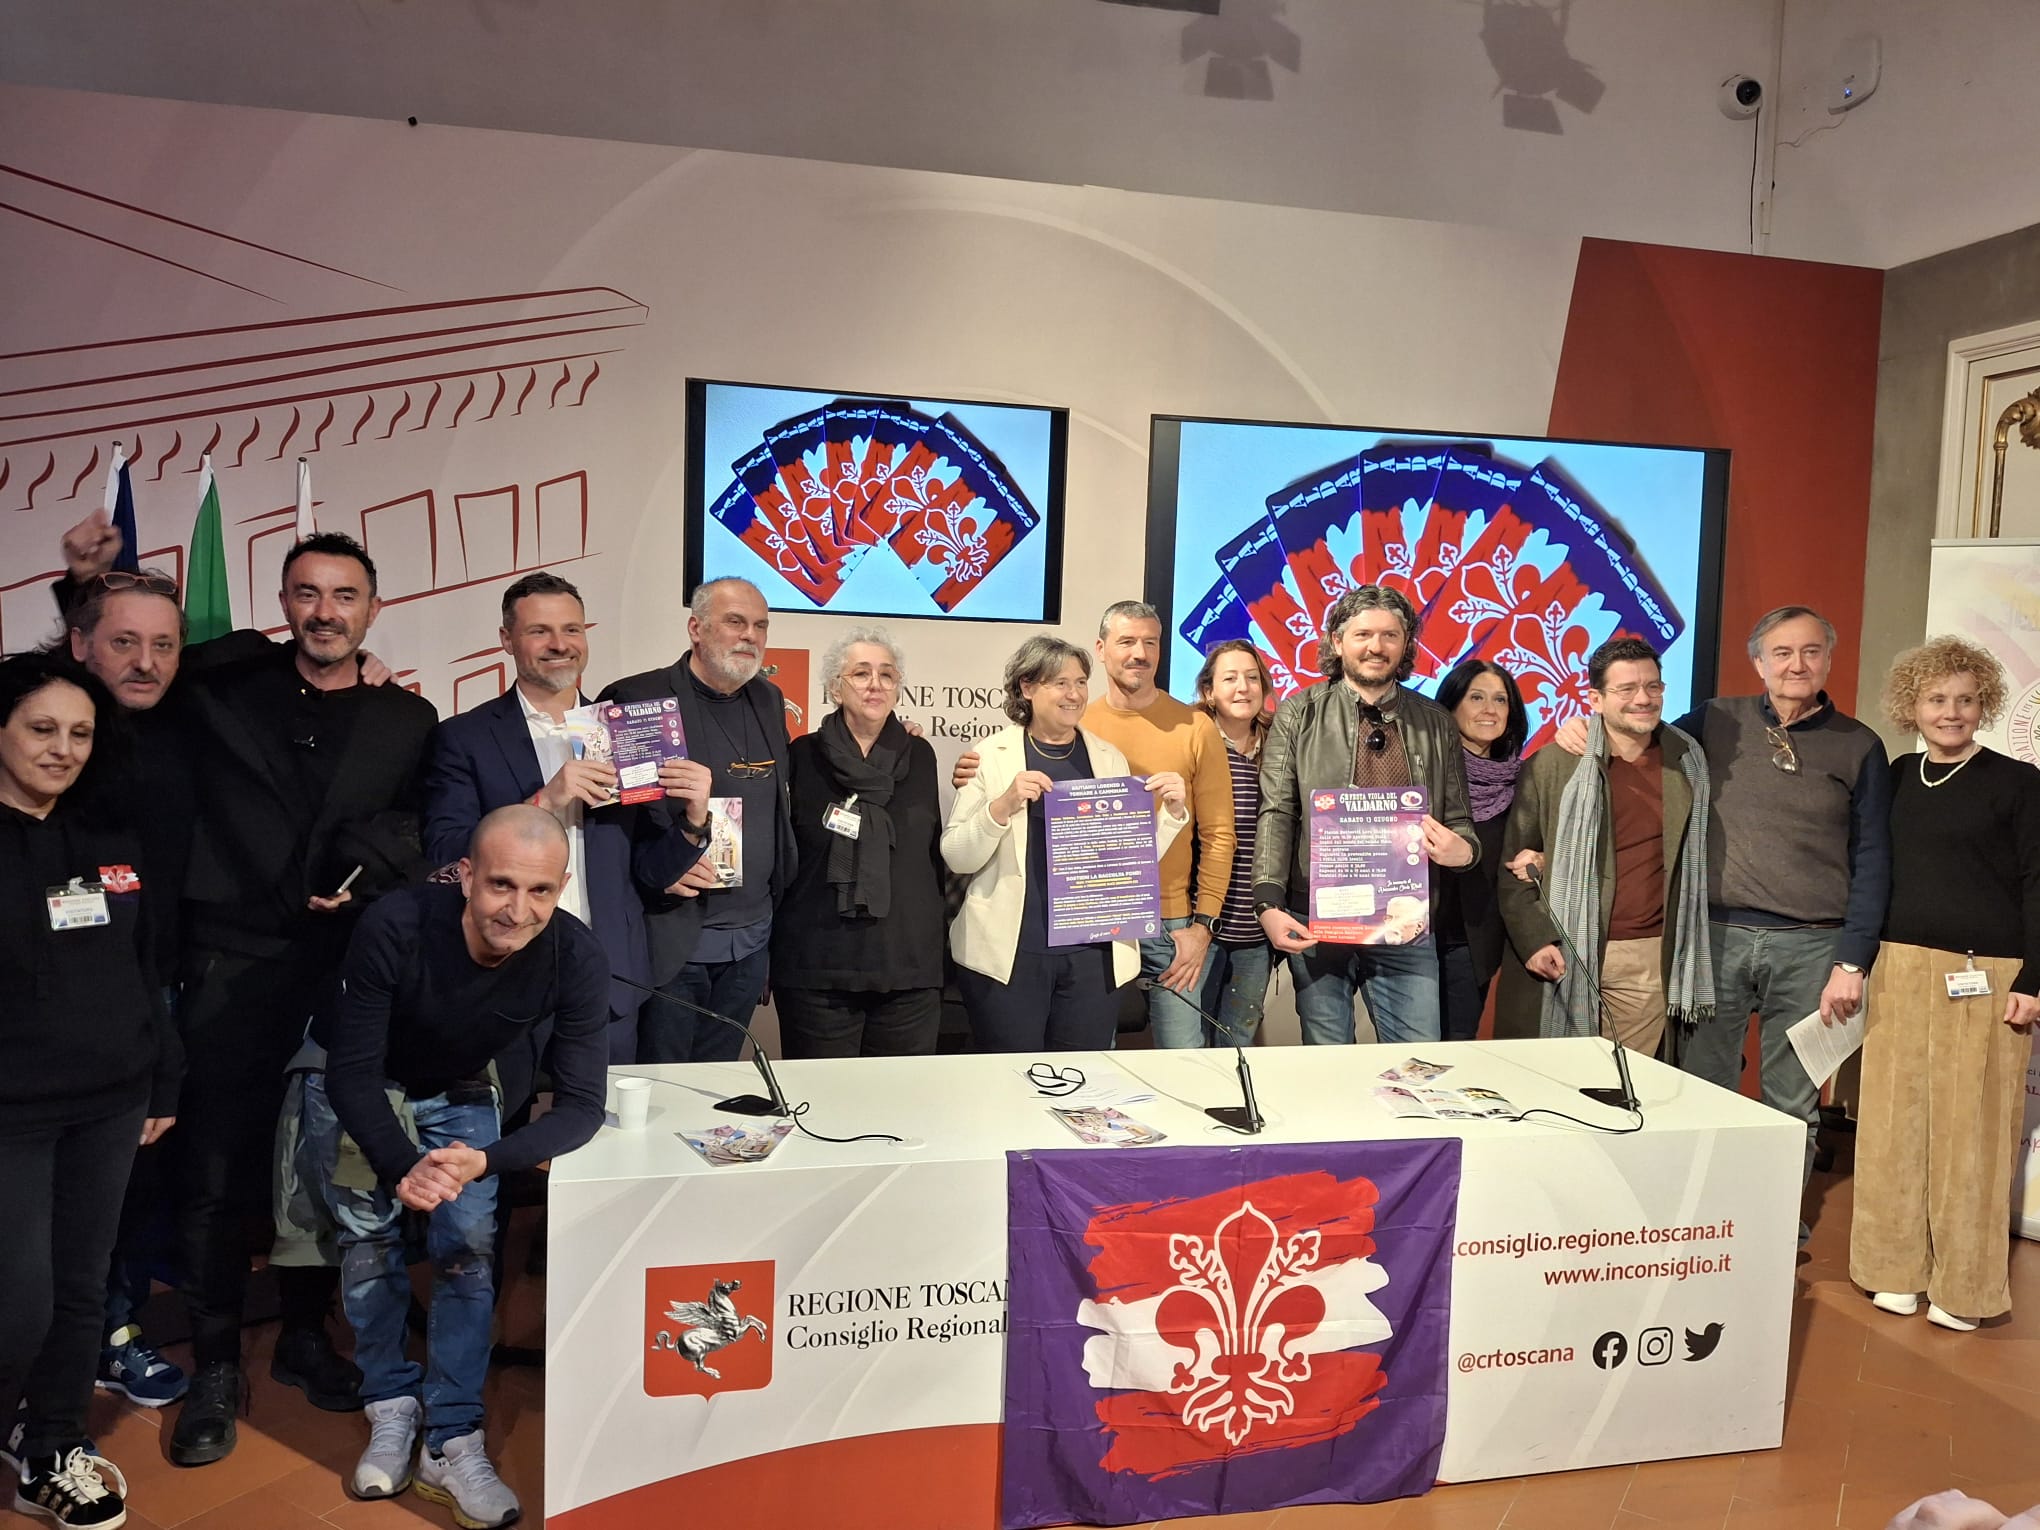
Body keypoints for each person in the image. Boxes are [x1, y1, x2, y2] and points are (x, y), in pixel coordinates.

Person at [164, 533, 437, 1464]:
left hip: (341, 968)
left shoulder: (407, 718)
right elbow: (167, 663)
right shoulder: (223, 689)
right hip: (230, 965)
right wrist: (252, 645)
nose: (326, 612)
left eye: (345, 595)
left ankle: (304, 1336)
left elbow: (421, 828)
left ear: (374, 609)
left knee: (325, 1167)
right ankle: (213, 1362)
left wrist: (365, 881)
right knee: (215, 1169)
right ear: (281, 603)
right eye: (307, 594)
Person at [301, 805, 606, 1526]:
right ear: (466, 876)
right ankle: (390, 1404)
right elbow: (351, 1072)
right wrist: (402, 1164)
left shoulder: (575, 954)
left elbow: (583, 1106)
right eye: (501, 884)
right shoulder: (396, 925)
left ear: (561, 889)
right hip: (361, 1081)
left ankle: (452, 1436)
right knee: (368, 1242)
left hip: (461, 1087)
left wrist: (486, 1162)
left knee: (469, 1250)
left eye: (539, 891)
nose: (518, 910)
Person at [1556, 605, 1890, 1186]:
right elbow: (1638, 733)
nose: (1797, 664)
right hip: (1713, 939)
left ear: (1828, 660)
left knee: (1793, 1102)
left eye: (1811, 651)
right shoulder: (1714, 720)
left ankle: (1777, 1224)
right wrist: (1580, 729)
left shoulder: (1860, 745)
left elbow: (1874, 858)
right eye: (1781, 652)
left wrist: (1853, 961)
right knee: (1702, 1089)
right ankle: (1706, 1216)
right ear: (1758, 662)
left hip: (1813, 949)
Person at [0, 654, 180, 1530]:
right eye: (42, 729)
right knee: (19, 1302)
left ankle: (52, 1447)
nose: (63, 749)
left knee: (81, 1288)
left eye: (80, 733)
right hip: (10, 1114)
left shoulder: (112, 836)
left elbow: (146, 969)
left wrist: (162, 1076)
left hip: (111, 1100)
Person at [422, 571, 714, 1064]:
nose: (560, 644)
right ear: (507, 640)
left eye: (572, 629)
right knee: (506, 1111)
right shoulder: (463, 737)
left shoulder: (624, 728)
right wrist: (544, 801)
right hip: (502, 972)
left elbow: (649, 872)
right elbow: (445, 857)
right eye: (540, 631)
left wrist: (693, 818)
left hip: (608, 975)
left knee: (605, 1110)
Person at [1851, 637, 2040, 1332]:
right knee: (1892, 1128)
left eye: (1965, 699)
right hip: (1898, 969)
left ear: (1984, 704)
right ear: (1913, 706)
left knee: (1974, 1136)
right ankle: (1893, 1268)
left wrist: (2035, 981)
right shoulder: (1898, 776)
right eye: (1937, 699)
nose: (1951, 711)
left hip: (1987, 977)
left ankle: (1964, 1286)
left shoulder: (2019, 783)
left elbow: (2039, 883)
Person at [954, 603, 1235, 1047]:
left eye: (1080, 683)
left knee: (1094, 1071)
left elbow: (1127, 857)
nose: (1073, 694)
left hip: (1105, 944)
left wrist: (1171, 816)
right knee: (1010, 1072)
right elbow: (957, 855)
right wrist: (1000, 805)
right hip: (1015, 949)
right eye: (1060, 683)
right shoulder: (994, 754)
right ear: (1027, 687)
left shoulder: (1110, 756)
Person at [1252, 585, 1478, 1045]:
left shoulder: (1436, 721)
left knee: (1420, 1064)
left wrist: (1465, 851)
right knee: (1329, 1061)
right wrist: (1268, 903)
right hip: (1319, 917)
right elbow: (1277, 812)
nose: (1377, 646)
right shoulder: (1299, 713)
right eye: (1363, 635)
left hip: (1405, 921)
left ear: (1406, 644)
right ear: (1338, 641)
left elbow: (1459, 819)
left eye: (1390, 635)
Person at [600, 578, 795, 1063]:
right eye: (735, 622)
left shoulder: (769, 699)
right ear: (696, 628)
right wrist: (659, 870)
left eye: (760, 626)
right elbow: (608, 830)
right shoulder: (636, 698)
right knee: (662, 1085)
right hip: (672, 942)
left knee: (719, 1083)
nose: (750, 635)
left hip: (750, 941)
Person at [1495, 637, 1713, 1055]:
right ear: (1595, 698)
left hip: (1646, 956)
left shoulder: (1688, 761)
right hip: (1565, 947)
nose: (1643, 699)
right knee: (1555, 1078)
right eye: (1626, 688)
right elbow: (1514, 869)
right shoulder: (1553, 764)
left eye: (1653, 686)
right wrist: (1535, 940)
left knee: (1622, 1084)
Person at [770, 626, 945, 1057]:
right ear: (835, 687)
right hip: (817, 968)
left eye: (887, 674)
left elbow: (930, 856)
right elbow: (782, 856)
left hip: (907, 968)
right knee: (820, 1094)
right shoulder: (801, 756)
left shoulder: (921, 756)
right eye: (861, 673)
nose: (875, 684)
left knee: (903, 1096)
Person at [1433, 659, 1530, 1041]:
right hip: (1413, 940)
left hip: (1473, 944)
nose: (1490, 709)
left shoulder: (1524, 781)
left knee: (1453, 1053)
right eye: (1476, 697)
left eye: (1500, 700)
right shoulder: (1424, 773)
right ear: (1451, 705)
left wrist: (1541, 858)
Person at [1192, 639, 1275, 1045]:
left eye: (1252, 678)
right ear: (1209, 691)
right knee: (1192, 1037)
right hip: (1198, 924)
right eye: (1230, 678)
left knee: (1237, 1038)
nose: (1243, 687)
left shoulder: (1281, 746)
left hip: (1257, 928)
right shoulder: (1191, 741)